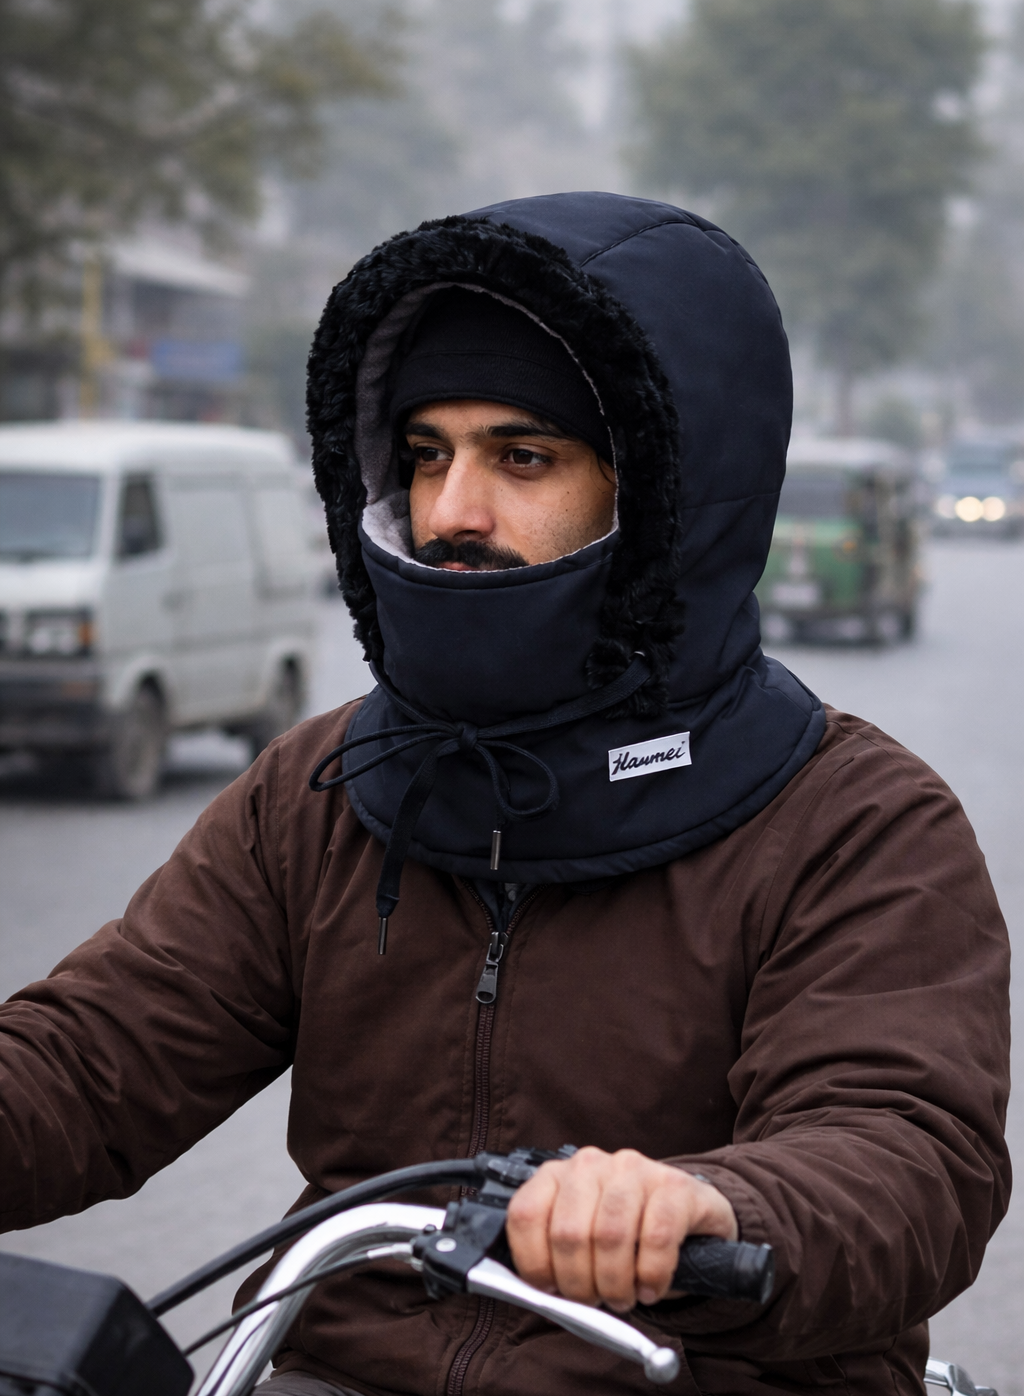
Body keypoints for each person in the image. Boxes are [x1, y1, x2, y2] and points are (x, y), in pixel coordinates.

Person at [0, 193, 1011, 1396]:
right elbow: (96, 1055)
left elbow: (903, 1151)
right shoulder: (324, 789)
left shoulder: (855, 820)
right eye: (426, 455)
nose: (448, 514)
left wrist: (702, 1200)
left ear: (665, 500)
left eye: (520, 456)